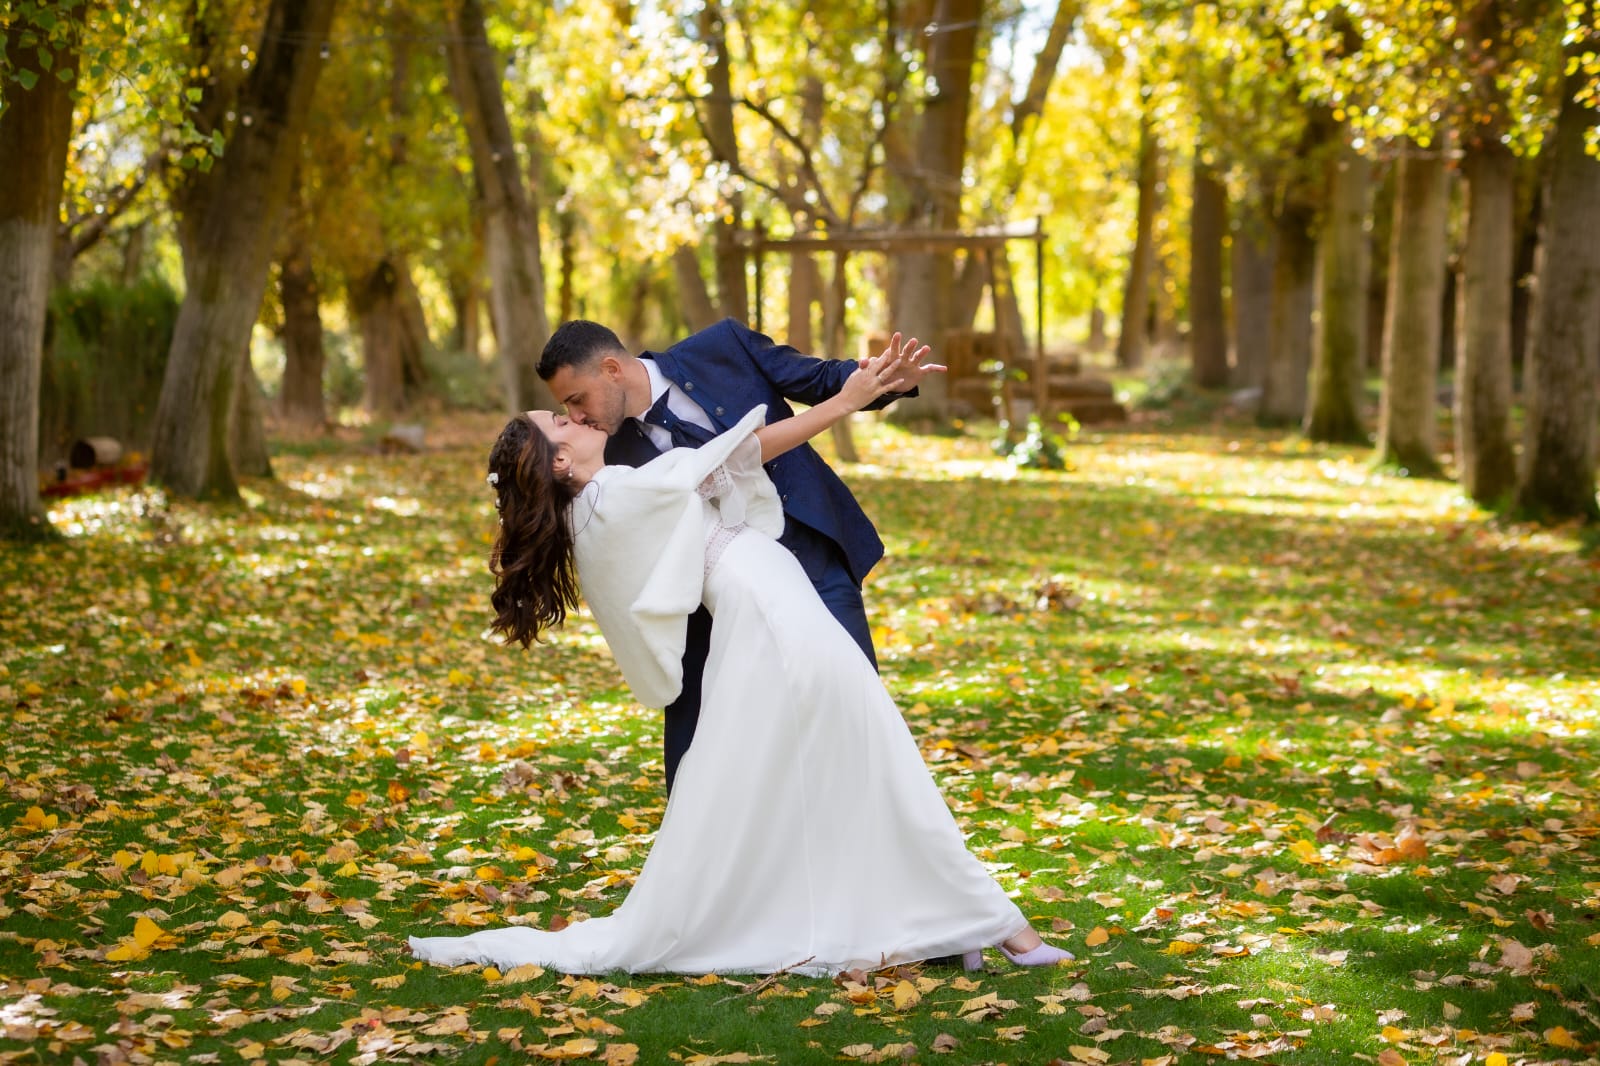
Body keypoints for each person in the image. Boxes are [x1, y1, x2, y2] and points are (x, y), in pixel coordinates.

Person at [407, 340, 1073, 976]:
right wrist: (845, 403)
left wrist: (855, 388)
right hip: (773, 618)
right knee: (877, 755)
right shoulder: (615, 496)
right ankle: (999, 927)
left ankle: (959, 926)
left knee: (860, 759)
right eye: (562, 421)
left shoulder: (607, 496)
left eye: (570, 407)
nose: (575, 419)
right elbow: (741, 454)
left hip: (774, 608)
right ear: (558, 461)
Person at [536, 319, 944, 791]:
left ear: (611, 369)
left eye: (577, 399)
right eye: (566, 409)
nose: (577, 416)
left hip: (808, 552)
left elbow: (820, 378)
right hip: (709, 600)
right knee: (694, 735)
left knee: (854, 700)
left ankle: (866, 814)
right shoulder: (607, 453)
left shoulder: (721, 346)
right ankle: (697, 830)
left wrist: (890, 380)